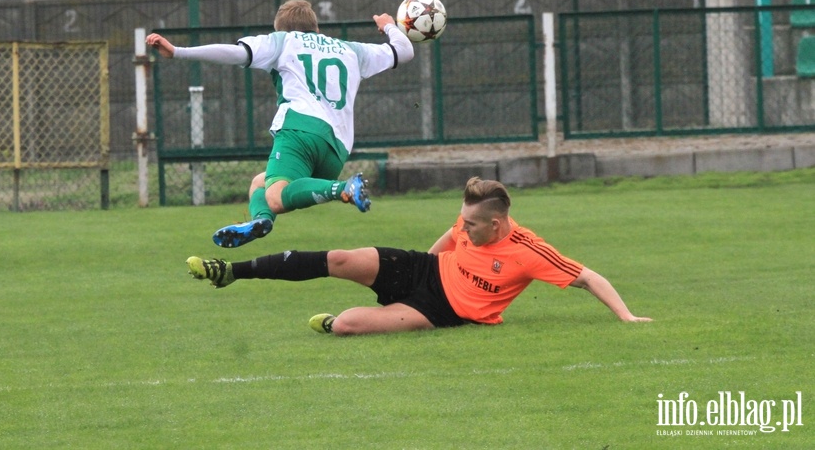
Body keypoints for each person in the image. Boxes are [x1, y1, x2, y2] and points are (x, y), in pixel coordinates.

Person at [185, 177, 652, 335]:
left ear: (496, 224)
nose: (462, 227)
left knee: (348, 324)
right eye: (462, 220)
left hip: (441, 310)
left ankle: (332, 323)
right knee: (342, 258)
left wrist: (627, 318)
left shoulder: (529, 251)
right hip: (422, 270)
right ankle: (232, 271)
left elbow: (589, 276)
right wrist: (415, 267)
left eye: (471, 224)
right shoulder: (469, 224)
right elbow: (446, 244)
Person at [146, 0, 415, 248]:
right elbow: (404, 52)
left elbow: (234, 52)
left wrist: (178, 51)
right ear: (316, 27)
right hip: (337, 147)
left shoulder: (283, 41)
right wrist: (389, 25)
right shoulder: (351, 50)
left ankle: (343, 188)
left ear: (279, 29)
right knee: (260, 185)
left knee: (276, 195)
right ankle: (261, 220)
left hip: (299, 130)